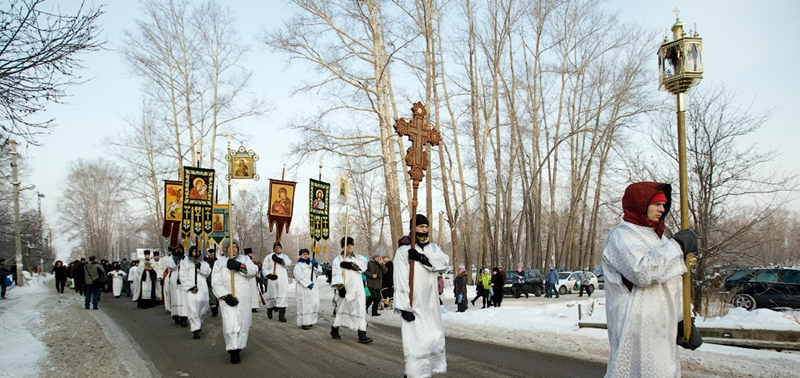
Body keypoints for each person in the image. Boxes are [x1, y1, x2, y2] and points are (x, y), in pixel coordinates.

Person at [602, 182, 699, 377]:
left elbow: (674, 283)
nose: (662, 210)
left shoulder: (660, 239)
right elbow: (644, 272)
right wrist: (678, 246)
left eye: (664, 205)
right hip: (636, 326)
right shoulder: (622, 236)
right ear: (641, 205)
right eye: (657, 204)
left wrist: (684, 319)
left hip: (662, 326)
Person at [394, 214, 450, 377]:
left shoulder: (432, 248)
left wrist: (421, 258)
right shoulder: (403, 251)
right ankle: (412, 373)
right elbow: (400, 279)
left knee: (432, 339)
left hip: (430, 304)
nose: (424, 230)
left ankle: (424, 372)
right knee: (417, 342)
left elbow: (444, 262)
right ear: (413, 228)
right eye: (421, 227)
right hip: (414, 303)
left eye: (426, 227)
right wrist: (404, 306)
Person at [211, 239, 258, 364]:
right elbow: (215, 282)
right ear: (226, 248)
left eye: (236, 246)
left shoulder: (244, 259)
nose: (234, 249)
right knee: (230, 322)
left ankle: (239, 346)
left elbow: (254, 270)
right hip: (228, 298)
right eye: (231, 246)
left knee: (243, 322)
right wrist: (225, 296)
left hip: (243, 297)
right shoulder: (219, 263)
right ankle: (232, 349)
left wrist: (240, 267)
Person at [330, 236, 372, 343]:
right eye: (347, 245)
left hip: (358, 288)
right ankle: (335, 328)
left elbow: (363, 267)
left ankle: (362, 333)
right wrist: (340, 287)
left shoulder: (358, 258)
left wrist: (351, 265)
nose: (349, 247)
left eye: (351, 245)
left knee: (360, 308)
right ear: (343, 247)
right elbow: (336, 273)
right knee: (342, 308)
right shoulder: (338, 260)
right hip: (346, 288)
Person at [180, 245, 211, 339]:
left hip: (202, 290)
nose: (196, 253)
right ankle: (195, 330)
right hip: (192, 291)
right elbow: (182, 276)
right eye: (194, 252)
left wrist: (200, 267)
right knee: (193, 310)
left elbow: (207, 272)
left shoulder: (203, 263)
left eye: (197, 252)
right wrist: (191, 286)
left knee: (203, 308)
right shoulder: (185, 263)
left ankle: (199, 323)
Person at [293, 248, 322, 329]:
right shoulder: (298, 265)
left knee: (312, 304)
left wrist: (316, 264)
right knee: (305, 304)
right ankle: (304, 322)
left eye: (306, 254)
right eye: (303, 254)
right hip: (303, 288)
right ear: (300, 255)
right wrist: (307, 283)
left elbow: (319, 272)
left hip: (313, 288)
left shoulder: (311, 264)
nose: (305, 256)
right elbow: (298, 276)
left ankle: (311, 320)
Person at [262, 242, 292, 321]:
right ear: (273, 248)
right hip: (273, 279)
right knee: (272, 294)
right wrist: (268, 275)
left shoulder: (284, 256)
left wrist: (280, 260)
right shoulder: (269, 257)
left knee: (282, 295)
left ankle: (282, 315)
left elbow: (289, 264)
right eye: (276, 247)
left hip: (282, 279)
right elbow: (264, 267)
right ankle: (270, 308)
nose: (278, 248)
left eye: (279, 247)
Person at [166, 246, 188, 326]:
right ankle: (176, 316)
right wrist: (176, 259)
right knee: (175, 298)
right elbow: (172, 266)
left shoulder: (185, 258)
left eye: (180, 249)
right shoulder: (170, 258)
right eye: (177, 249)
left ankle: (184, 318)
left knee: (183, 299)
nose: (179, 250)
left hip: (183, 279)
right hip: (174, 279)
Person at [365, 252, 388, 316]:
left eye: (379, 257)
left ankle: (374, 312)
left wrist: (381, 264)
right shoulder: (369, 263)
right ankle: (366, 306)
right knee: (372, 296)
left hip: (378, 283)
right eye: (377, 258)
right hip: (371, 283)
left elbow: (385, 271)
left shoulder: (380, 264)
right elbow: (365, 271)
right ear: (374, 258)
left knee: (377, 298)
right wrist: (371, 275)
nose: (378, 259)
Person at [244, 248, 262, 313]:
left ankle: (253, 306)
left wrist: (259, 267)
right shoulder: (245, 261)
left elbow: (256, 270)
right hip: (248, 279)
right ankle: (250, 306)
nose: (251, 255)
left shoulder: (252, 262)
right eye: (250, 253)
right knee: (250, 292)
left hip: (253, 279)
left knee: (253, 292)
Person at [205, 249, 219, 317]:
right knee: (212, 297)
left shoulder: (218, 262)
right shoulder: (207, 263)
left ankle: (216, 305)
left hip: (217, 282)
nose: (212, 256)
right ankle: (214, 310)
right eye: (211, 255)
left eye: (213, 254)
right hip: (210, 282)